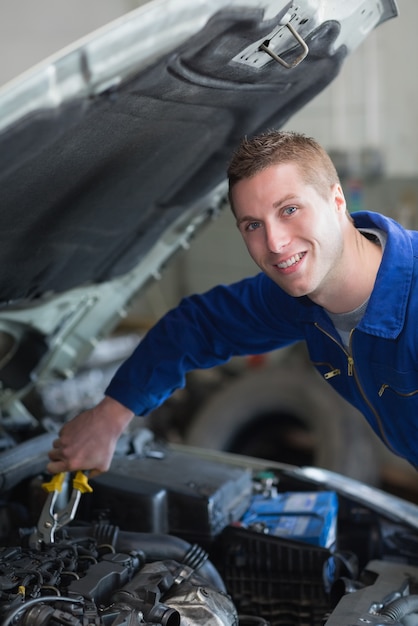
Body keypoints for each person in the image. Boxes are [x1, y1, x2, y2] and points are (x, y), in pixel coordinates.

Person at [47, 129, 418, 477]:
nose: (274, 242)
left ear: (337, 201)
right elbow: (198, 326)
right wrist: (111, 415)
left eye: (289, 209)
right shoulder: (301, 299)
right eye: (253, 225)